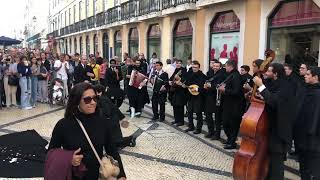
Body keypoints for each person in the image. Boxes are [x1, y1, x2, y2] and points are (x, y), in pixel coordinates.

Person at [48, 82, 126, 180]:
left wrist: (121, 175)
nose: (93, 102)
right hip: (73, 175)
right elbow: (51, 152)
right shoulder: (63, 125)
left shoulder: (102, 122)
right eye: (87, 99)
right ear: (76, 101)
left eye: (95, 98)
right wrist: (68, 159)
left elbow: (112, 150)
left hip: (96, 175)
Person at [253, 63, 296, 179]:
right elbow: (269, 97)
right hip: (270, 129)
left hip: (279, 132)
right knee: (269, 163)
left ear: (276, 73)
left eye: (269, 71)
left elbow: (273, 101)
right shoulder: (274, 83)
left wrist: (261, 85)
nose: (266, 73)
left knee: (276, 165)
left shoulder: (286, 86)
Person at [294, 67, 320, 180]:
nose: (305, 75)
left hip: (311, 140)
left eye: (308, 74)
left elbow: (315, 118)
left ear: (316, 77)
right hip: (302, 137)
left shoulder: (317, 94)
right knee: (304, 168)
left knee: (312, 169)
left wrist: (310, 136)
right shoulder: (306, 89)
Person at [94, 84, 137, 148]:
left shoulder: (102, 100)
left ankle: (130, 139)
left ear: (99, 92)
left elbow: (107, 111)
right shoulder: (104, 97)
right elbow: (114, 107)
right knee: (114, 140)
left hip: (111, 122)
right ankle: (129, 139)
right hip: (113, 120)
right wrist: (121, 117)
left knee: (115, 142)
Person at [218, 60, 244, 149]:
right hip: (228, 104)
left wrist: (224, 90)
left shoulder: (236, 76)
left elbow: (236, 92)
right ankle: (230, 140)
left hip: (235, 106)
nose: (225, 68)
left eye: (226, 66)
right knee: (225, 123)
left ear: (230, 66)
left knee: (233, 125)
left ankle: (232, 142)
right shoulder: (231, 75)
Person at [204, 60, 226, 140]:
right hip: (209, 97)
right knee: (208, 115)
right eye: (214, 66)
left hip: (217, 97)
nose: (215, 67)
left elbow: (220, 86)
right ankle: (210, 132)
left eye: (217, 66)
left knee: (217, 117)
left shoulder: (223, 74)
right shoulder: (209, 73)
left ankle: (217, 135)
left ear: (220, 67)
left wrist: (211, 86)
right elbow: (206, 81)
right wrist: (206, 85)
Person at [184, 61, 206, 134]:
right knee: (189, 111)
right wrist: (184, 85)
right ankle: (191, 126)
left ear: (199, 67)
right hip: (190, 95)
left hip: (198, 96)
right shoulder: (189, 74)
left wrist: (196, 89)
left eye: (196, 67)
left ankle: (198, 128)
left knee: (198, 113)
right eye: (193, 67)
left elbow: (204, 87)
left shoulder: (202, 76)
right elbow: (186, 83)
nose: (194, 69)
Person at [169, 60, 187, 126]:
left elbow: (185, 80)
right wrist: (170, 81)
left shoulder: (183, 70)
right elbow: (171, 78)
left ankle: (181, 121)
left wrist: (179, 78)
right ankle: (176, 120)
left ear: (181, 64)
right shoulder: (176, 70)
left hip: (181, 91)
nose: (178, 64)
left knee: (180, 107)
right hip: (174, 91)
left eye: (179, 63)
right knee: (175, 106)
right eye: (177, 63)